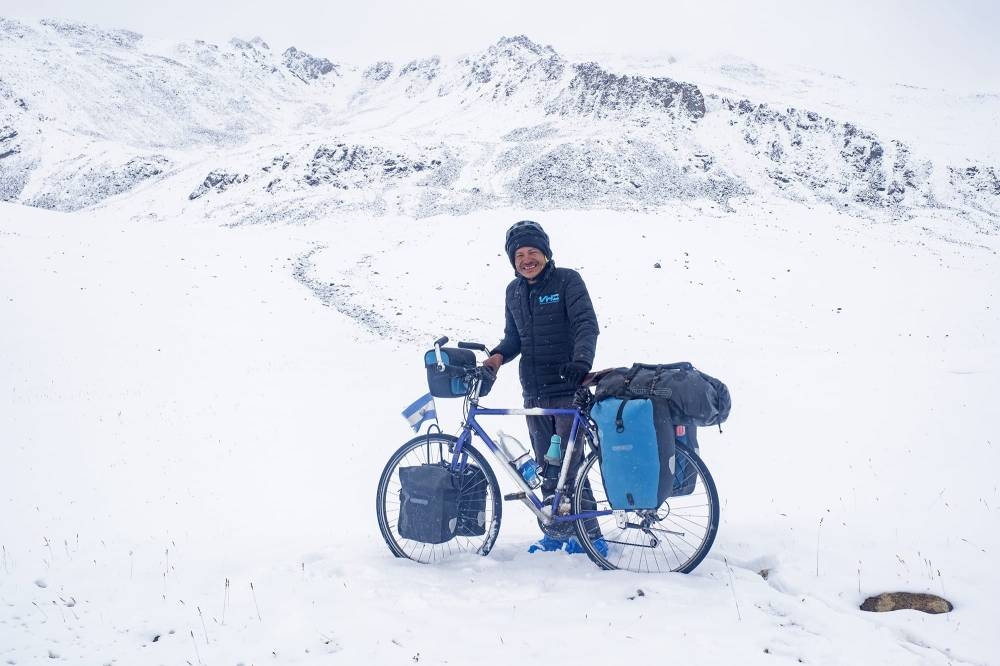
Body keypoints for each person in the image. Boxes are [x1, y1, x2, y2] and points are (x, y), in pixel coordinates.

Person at [483, 220, 605, 555]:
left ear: (546, 254)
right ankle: (559, 532)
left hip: (567, 388)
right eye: (519, 254)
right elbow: (514, 339)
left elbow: (586, 325)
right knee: (547, 465)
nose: (526, 259)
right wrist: (496, 358)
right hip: (534, 391)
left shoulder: (567, 281)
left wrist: (581, 362)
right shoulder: (514, 292)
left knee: (572, 467)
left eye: (532, 252)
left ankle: (591, 537)